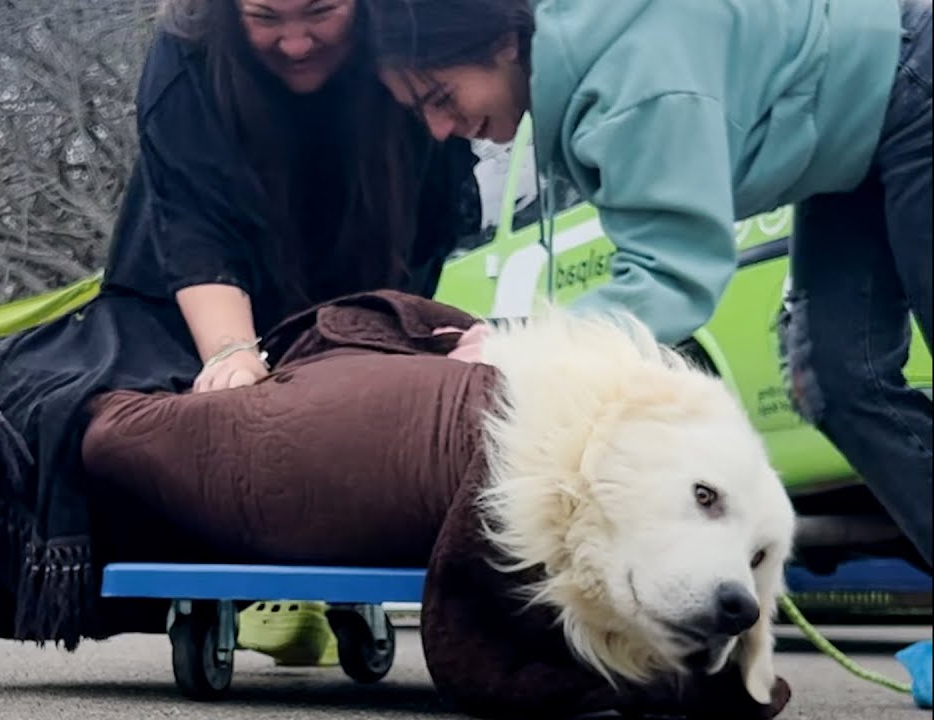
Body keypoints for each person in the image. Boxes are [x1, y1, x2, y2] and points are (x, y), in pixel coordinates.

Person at [0, 0, 481, 653]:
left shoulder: (417, 51)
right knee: (168, 399)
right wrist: (234, 354)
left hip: (355, 282)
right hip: (186, 292)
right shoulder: (185, 54)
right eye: (265, 16)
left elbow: (431, 228)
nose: (295, 42)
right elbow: (193, 227)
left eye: (321, 11)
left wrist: (378, 337)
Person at [360, 0, 933, 568]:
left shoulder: (631, 82)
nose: (438, 130)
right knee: (837, 379)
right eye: (419, 112)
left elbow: (672, 277)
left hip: (912, 83)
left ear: (503, 43)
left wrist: (520, 347)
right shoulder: (584, 71)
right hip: (846, 150)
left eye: (440, 96)